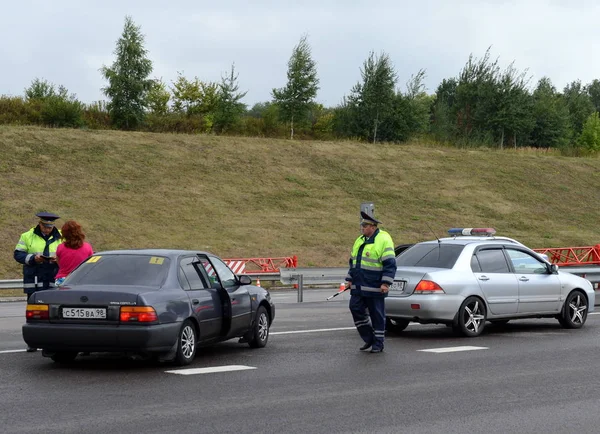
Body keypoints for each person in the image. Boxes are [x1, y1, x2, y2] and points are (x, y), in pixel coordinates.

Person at [345, 211, 397, 353]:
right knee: (355, 308)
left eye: (365, 225)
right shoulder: (360, 240)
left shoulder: (383, 239)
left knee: (377, 315)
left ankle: (378, 343)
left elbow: (390, 264)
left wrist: (385, 283)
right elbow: (353, 262)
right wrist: (349, 279)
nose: (362, 227)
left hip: (374, 286)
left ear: (372, 227)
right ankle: (369, 338)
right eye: (362, 225)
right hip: (358, 285)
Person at [14, 212, 62, 352]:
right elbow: (18, 254)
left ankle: (55, 340)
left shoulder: (61, 236)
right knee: (34, 312)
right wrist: (33, 258)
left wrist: (57, 260)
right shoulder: (27, 236)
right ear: (40, 224)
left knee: (55, 311)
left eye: (50, 226)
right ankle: (33, 341)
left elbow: (67, 254)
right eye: (45, 226)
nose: (48, 229)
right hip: (34, 278)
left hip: (53, 278)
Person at [55, 220, 94, 285]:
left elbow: (59, 264)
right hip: (81, 279)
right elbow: (90, 264)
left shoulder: (60, 247)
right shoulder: (87, 247)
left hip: (63, 280)